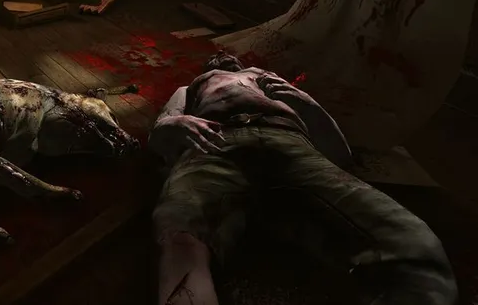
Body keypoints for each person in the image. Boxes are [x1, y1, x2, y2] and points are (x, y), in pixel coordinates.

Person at [148, 51, 457, 305]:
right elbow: (160, 134)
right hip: (211, 145)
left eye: (228, 57)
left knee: (409, 239)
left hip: (288, 142)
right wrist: (175, 123)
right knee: (181, 236)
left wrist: (308, 104)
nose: (223, 58)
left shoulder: (263, 78)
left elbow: (339, 153)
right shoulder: (190, 89)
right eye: (216, 58)